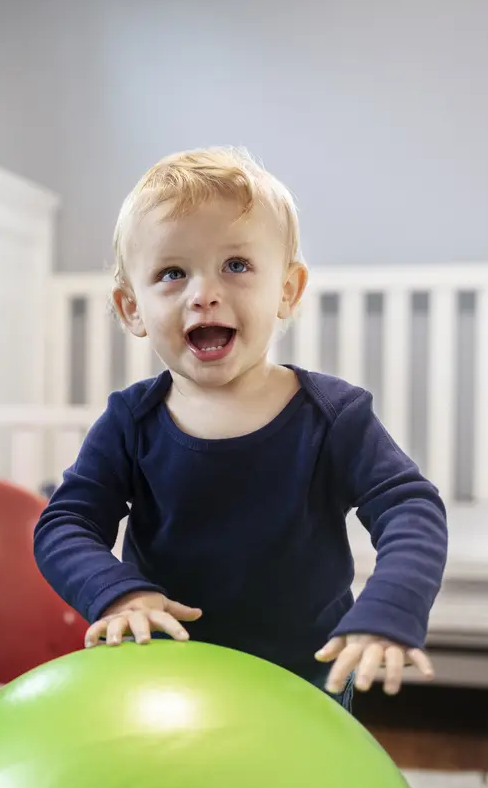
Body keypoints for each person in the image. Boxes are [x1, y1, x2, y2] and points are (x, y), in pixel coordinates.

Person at [33, 146, 447, 706]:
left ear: (288, 290)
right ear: (132, 308)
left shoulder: (333, 418)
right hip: (163, 669)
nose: (204, 293)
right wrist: (118, 595)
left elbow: (411, 508)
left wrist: (390, 606)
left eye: (236, 265)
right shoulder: (130, 423)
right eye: (172, 273)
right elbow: (65, 524)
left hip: (304, 678)